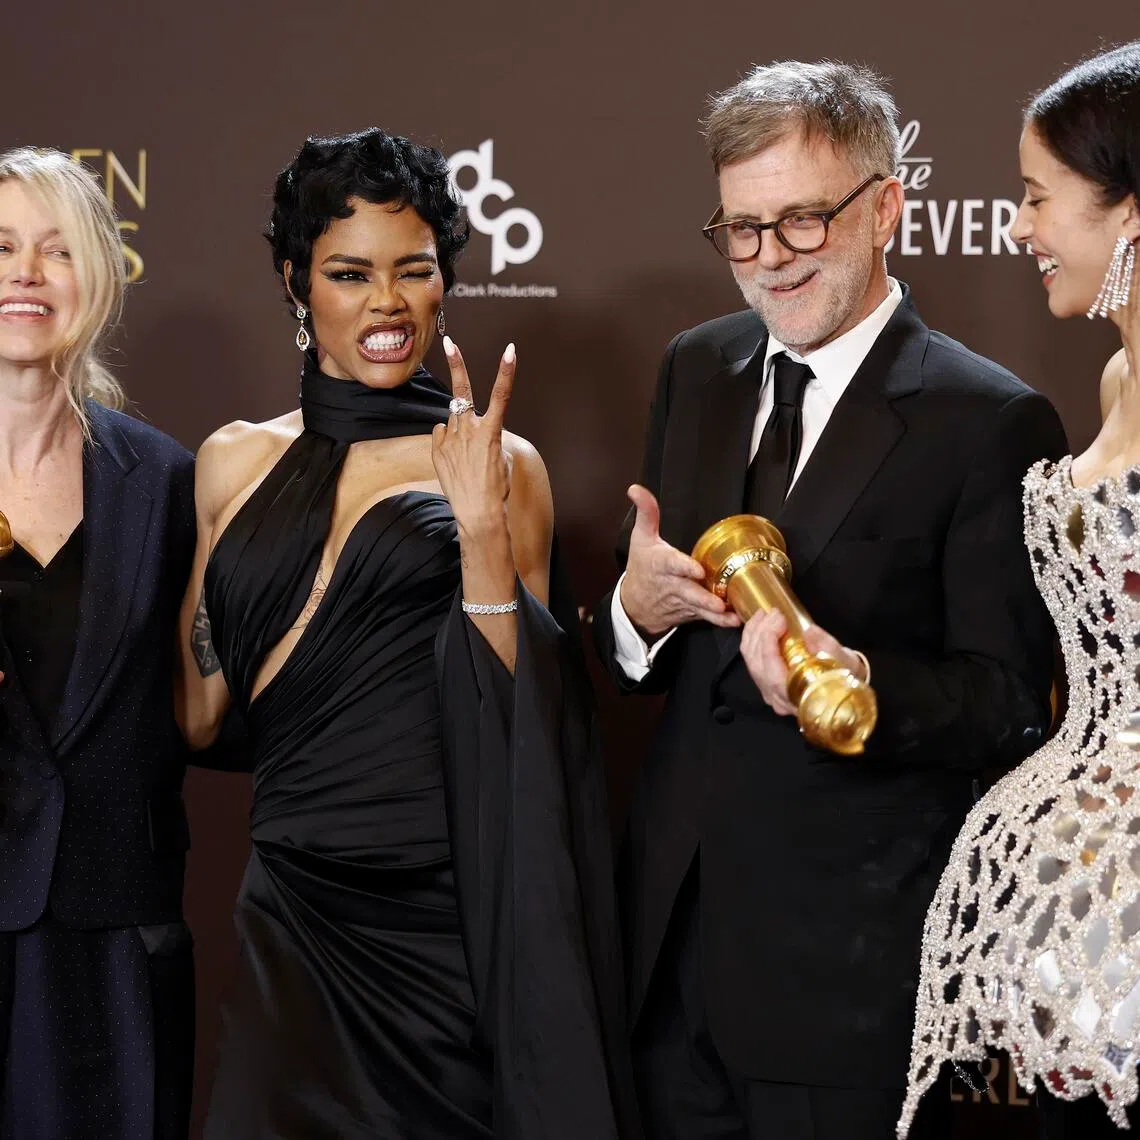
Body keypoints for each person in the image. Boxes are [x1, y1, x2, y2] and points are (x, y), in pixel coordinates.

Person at [592, 60, 1069, 1140]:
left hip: (850, 980)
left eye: (801, 222)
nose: (768, 260)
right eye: (742, 230)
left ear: (886, 207)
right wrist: (634, 614)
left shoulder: (988, 420)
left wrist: (862, 687)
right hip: (669, 956)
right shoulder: (696, 369)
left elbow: (1009, 706)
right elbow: (641, 659)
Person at [177, 128, 638, 1140]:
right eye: (350, 274)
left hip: (437, 917)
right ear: (297, 287)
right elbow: (201, 716)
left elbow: (532, 717)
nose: (386, 303)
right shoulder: (230, 463)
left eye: (414, 271)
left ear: (443, 284)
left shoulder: (499, 461)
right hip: (292, 905)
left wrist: (478, 533)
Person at [900, 41, 1140, 1140]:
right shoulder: (1116, 378)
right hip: (1067, 902)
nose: (1019, 226)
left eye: (1039, 198)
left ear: (1127, 212)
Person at [0, 147, 196, 1138]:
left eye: (55, 250)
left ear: (100, 277)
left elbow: (211, 700)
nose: (24, 274)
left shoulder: (164, 480)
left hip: (112, 918)